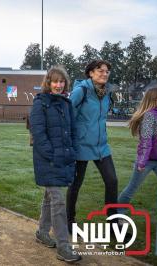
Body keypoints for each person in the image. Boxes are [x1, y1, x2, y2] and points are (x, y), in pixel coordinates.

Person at [30, 66, 81, 262]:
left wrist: (72, 151)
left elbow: (73, 131)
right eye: (55, 81)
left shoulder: (67, 104)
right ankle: (63, 246)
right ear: (48, 83)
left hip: (65, 158)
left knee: (50, 198)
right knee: (58, 201)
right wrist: (52, 155)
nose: (58, 85)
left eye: (62, 82)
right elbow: (39, 135)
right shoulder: (40, 104)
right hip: (48, 160)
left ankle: (42, 232)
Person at [66, 60, 118, 233]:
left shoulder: (108, 93)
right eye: (100, 70)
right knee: (75, 184)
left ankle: (113, 226)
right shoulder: (81, 91)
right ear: (90, 73)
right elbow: (67, 115)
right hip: (81, 145)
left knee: (112, 181)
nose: (104, 73)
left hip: (101, 146)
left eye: (107, 71)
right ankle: (69, 221)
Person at [118, 85, 157, 210]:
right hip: (146, 161)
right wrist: (142, 162)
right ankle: (119, 214)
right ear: (154, 100)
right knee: (132, 188)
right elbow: (146, 141)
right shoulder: (149, 116)